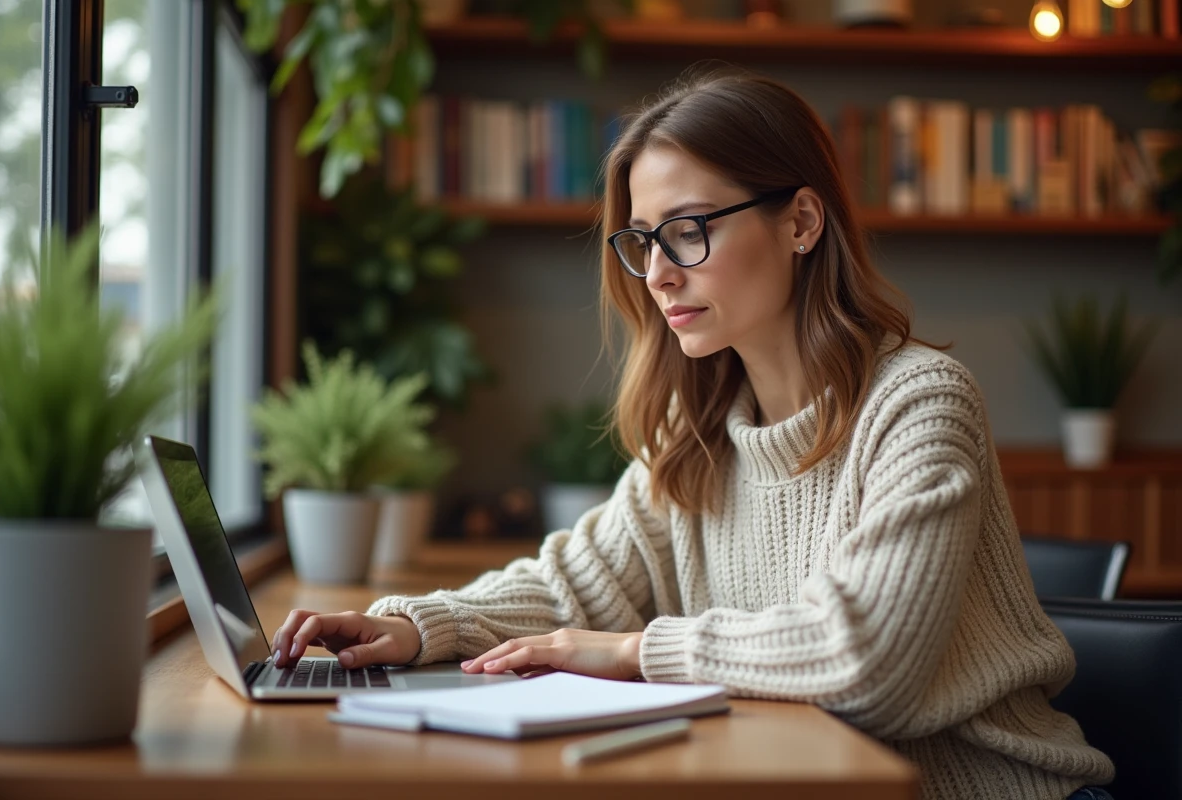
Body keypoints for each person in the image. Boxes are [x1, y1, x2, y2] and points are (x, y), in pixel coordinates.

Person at [272, 69, 1115, 800]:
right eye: (644, 240)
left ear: (801, 223)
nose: (660, 272)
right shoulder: (700, 426)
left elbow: (867, 663)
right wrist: (422, 626)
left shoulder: (921, 403)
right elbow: (576, 586)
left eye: (689, 229)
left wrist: (636, 653)